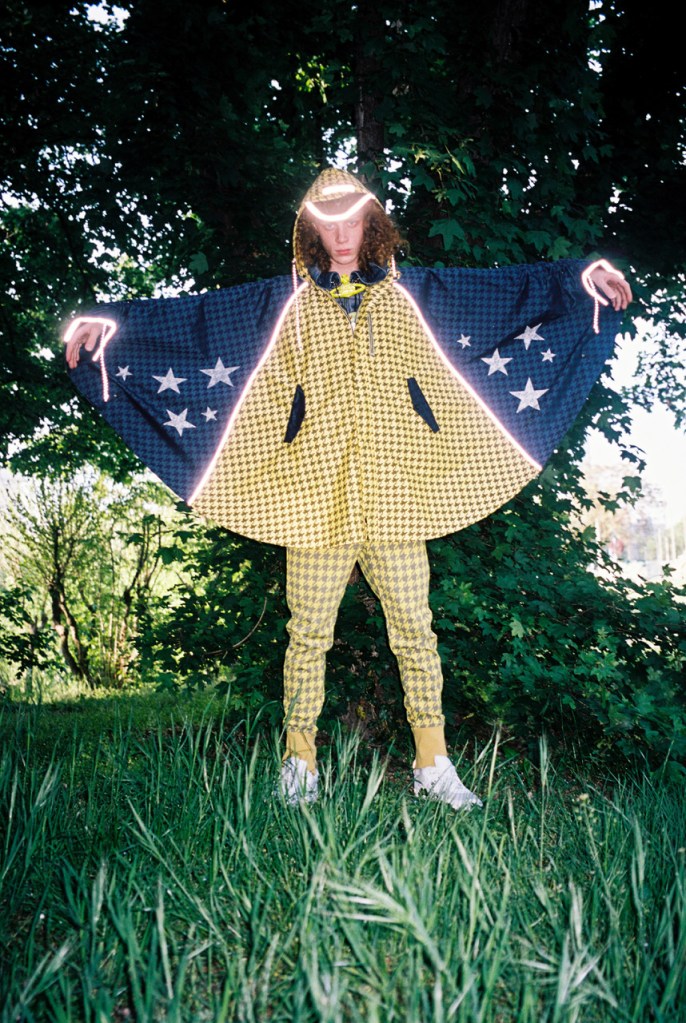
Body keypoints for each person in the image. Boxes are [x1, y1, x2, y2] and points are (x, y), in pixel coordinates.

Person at [64, 168, 632, 809]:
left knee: (415, 630)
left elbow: (508, 292)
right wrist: (110, 322)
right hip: (313, 498)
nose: (341, 235)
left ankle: (433, 764)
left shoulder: (415, 294)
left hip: (397, 495)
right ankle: (299, 763)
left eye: (352, 221)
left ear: (371, 222)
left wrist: (583, 276)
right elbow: (192, 321)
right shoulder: (283, 303)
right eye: (327, 224)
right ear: (311, 228)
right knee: (307, 635)